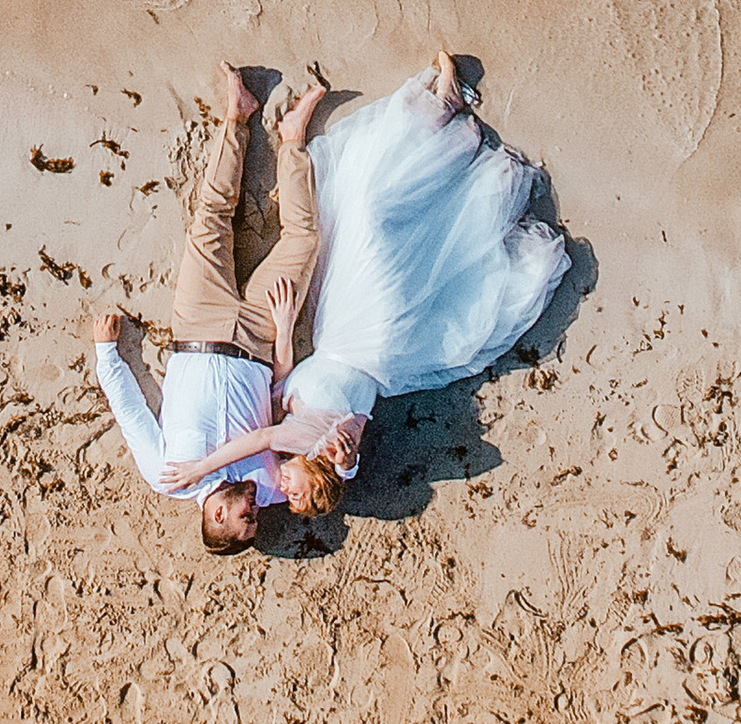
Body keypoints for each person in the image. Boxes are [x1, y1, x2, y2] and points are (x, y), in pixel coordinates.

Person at [154, 52, 567, 521]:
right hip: (370, 330)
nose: (283, 494)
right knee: (372, 213)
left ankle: (272, 127)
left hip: (297, 324)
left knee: (324, 220)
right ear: (320, 481)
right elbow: (320, 447)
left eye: (285, 499)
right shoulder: (329, 449)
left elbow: (282, 381)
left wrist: (287, 327)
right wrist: (343, 460)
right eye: (298, 497)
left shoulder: (292, 433)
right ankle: (436, 113)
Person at [91, 60, 326, 553]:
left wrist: (107, 356)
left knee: (210, 221)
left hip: (197, 325)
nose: (257, 510)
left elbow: (133, 414)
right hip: (262, 335)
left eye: (247, 518)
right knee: (304, 239)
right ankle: (292, 140)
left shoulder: (168, 477)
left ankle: (236, 117)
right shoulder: (270, 484)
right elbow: (288, 410)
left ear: (217, 513)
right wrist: (285, 332)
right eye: (258, 519)